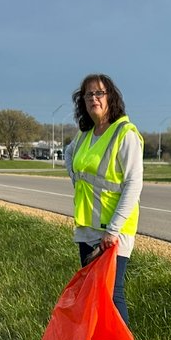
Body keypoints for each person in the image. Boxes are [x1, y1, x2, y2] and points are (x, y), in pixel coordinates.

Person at [63, 73, 143, 326]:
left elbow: (133, 184)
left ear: (111, 97)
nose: (93, 99)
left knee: (111, 293)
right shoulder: (86, 134)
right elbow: (70, 156)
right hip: (88, 227)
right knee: (93, 293)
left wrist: (114, 229)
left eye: (99, 93)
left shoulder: (124, 133)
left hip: (113, 230)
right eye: (88, 94)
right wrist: (77, 181)